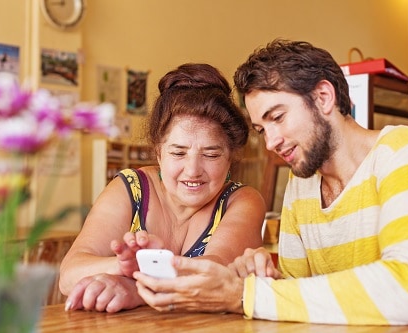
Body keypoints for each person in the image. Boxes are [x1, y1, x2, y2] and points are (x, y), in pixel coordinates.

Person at [133, 39, 408, 325]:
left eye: (278, 117)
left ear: (323, 97)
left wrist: (246, 294)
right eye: (261, 129)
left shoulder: (406, 152)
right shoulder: (302, 186)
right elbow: (301, 297)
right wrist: (264, 277)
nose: (271, 142)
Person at [59, 63, 266, 313]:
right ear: (158, 153)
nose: (193, 170)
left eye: (211, 155)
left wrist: (135, 289)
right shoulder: (129, 188)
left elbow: (210, 274)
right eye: (178, 153)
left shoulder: (242, 201)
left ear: (231, 157)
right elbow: (69, 275)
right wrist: (125, 267)